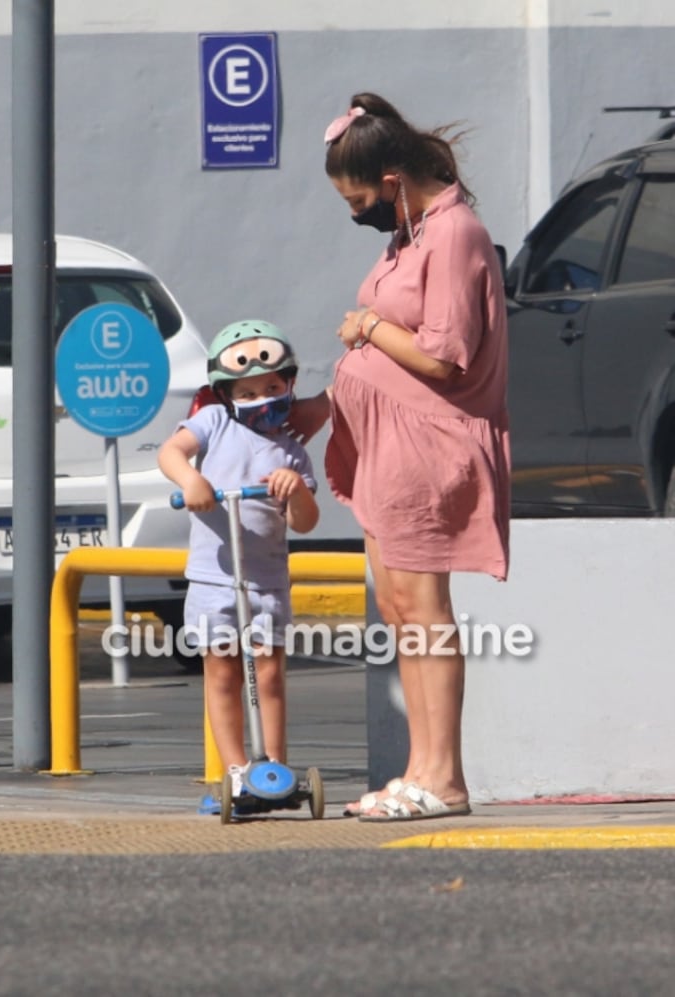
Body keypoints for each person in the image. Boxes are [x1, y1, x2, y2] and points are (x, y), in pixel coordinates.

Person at [291, 92, 510, 821]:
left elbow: (444, 356)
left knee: (423, 608)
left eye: (356, 199)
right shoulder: (410, 235)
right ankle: (416, 769)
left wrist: (367, 327)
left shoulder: (453, 234)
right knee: (396, 607)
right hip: (385, 445)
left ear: (389, 180)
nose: (354, 214)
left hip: (427, 442)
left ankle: (442, 777)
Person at [158, 320, 319, 799]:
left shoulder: (291, 452)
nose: (263, 397)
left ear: (289, 383)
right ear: (226, 394)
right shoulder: (213, 423)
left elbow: (305, 521)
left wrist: (294, 492)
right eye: (248, 391)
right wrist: (191, 481)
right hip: (215, 579)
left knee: (269, 675)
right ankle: (235, 770)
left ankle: (274, 768)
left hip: (267, 581)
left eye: (272, 386)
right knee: (223, 672)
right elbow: (172, 452)